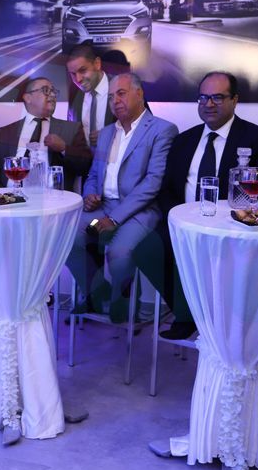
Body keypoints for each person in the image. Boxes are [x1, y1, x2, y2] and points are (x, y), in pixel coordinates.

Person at [147, 71, 258, 340]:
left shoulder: (257, 137)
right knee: (147, 249)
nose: (209, 104)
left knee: (227, 262)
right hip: (183, 223)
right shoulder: (184, 140)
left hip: (229, 227)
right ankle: (186, 312)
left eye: (217, 97)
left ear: (235, 100)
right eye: (203, 97)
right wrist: (176, 218)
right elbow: (166, 188)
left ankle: (222, 319)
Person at [65, 73, 177, 323]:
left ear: (140, 93)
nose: (115, 101)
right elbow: (94, 174)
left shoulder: (162, 130)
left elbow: (152, 183)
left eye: (121, 94)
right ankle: (99, 291)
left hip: (139, 211)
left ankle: (121, 299)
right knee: (67, 239)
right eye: (111, 96)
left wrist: (114, 219)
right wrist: (89, 194)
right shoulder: (106, 133)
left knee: (119, 253)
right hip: (102, 209)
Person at [0, 76, 91, 192]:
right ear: (28, 98)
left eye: (54, 91)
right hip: (11, 197)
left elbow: (86, 167)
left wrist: (64, 148)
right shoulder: (6, 132)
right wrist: (1, 196)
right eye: (46, 90)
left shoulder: (71, 129)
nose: (52, 95)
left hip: (53, 199)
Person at [66, 44, 115, 150]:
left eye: (83, 70)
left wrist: (111, 136)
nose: (78, 79)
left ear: (97, 64)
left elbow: (145, 129)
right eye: (73, 74)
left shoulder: (122, 88)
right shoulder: (74, 95)